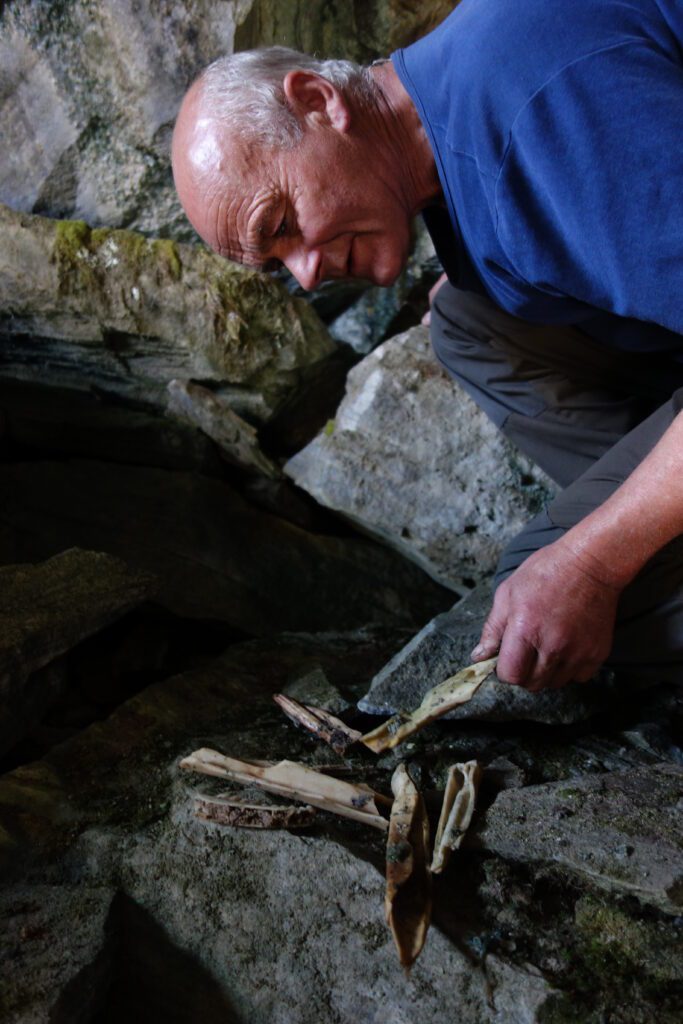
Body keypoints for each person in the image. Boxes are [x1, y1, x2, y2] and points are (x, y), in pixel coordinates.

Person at [172, 0, 683, 693]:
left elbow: (557, 143)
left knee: (552, 594)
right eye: (276, 266)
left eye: (282, 223)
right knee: (469, 325)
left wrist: (591, 563)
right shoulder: (447, 108)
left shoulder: (534, 111)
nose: (307, 274)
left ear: (320, 101)